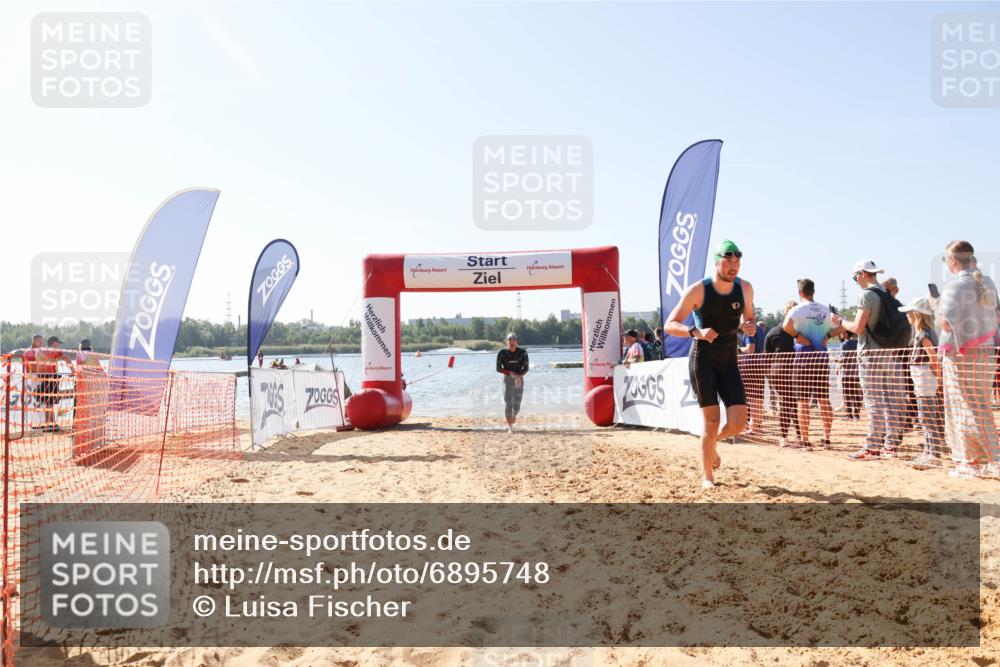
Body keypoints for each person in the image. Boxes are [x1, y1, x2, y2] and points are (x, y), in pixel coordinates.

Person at [663, 240, 757, 490]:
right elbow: (670, 324)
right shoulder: (698, 290)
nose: (733, 266)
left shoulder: (745, 288)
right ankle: (707, 476)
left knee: (739, 423)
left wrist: (749, 327)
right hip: (702, 359)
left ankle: (710, 443)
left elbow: (750, 319)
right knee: (712, 421)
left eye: (737, 261)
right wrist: (695, 331)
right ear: (717, 262)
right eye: (728, 261)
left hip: (729, 360)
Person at [937, 240, 1000, 478]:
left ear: (953, 260)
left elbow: (945, 322)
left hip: (961, 355)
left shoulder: (956, 285)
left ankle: (973, 461)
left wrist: (934, 306)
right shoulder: (987, 281)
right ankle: (983, 459)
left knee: (961, 408)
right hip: (986, 350)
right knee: (980, 407)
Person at [834, 260, 907, 461]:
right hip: (889, 354)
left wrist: (841, 322)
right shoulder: (887, 295)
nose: (856, 281)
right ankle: (891, 446)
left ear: (863, 274)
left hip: (870, 354)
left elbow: (858, 327)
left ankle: (872, 447)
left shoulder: (867, 295)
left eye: (855, 277)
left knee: (874, 401)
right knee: (892, 401)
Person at [783, 279, 841, 448]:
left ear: (800, 293)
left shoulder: (797, 309)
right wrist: (829, 336)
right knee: (824, 399)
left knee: (802, 401)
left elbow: (786, 325)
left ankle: (805, 440)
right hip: (821, 358)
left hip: (803, 359)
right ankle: (827, 438)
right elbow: (843, 326)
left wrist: (797, 336)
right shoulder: (824, 309)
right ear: (813, 292)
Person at [897, 297, 945, 470]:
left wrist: (938, 378)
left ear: (916, 314)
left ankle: (934, 455)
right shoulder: (923, 332)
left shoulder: (924, 333)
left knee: (927, 418)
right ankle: (929, 452)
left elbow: (933, 356)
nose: (907, 316)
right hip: (922, 378)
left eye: (909, 313)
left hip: (925, 378)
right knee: (926, 417)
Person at [766, 301, 802, 447]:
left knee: (789, 402)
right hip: (790, 369)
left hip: (776, 371)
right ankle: (789, 436)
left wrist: (768, 375)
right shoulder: (798, 331)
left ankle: (792, 436)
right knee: (791, 403)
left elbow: (766, 356)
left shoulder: (772, 332)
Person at [27, 336, 70, 432]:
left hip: (43, 377)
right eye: (58, 343)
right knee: (49, 402)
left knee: (48, 401)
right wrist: (73, 371)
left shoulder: (40, 350)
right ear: (53, 343)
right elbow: (66, 358)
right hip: (51, 377)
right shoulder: (52, 350)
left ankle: (51, 423)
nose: (59, 345)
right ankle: (49, 424)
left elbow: (38, 365)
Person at [738, 320, 767, 436]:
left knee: (748, 397)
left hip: (750, 365)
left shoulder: (749, 329)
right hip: (760, 365)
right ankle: (757, 426)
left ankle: (749, 426)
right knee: (758, 397)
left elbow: (750, 349)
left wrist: (739, 349)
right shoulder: (760, 329)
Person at [496, 332, 529, 433]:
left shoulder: (523, 353)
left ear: (516, 342)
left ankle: (514, 416)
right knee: (508, 402)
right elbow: (498, 368)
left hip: (519, 379)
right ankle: (510, 427)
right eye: (510, 340)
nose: (511, 342)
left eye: (513, 340)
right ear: (507, 342)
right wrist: (510, 373)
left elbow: (526, 368)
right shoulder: (502, 352)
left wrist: (518, 376)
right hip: (507, 379)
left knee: (517, 406)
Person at [837, 331, 863, 420]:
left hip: (847, 373)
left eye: (842, 333)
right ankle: (857, 414)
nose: (840, 334)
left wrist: (836, 360)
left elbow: (842, 359)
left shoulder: (844, 345)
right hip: (856, 373)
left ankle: (849, 415)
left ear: (846, 334)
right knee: (856, 394)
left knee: (847, 395)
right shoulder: (857, 344)